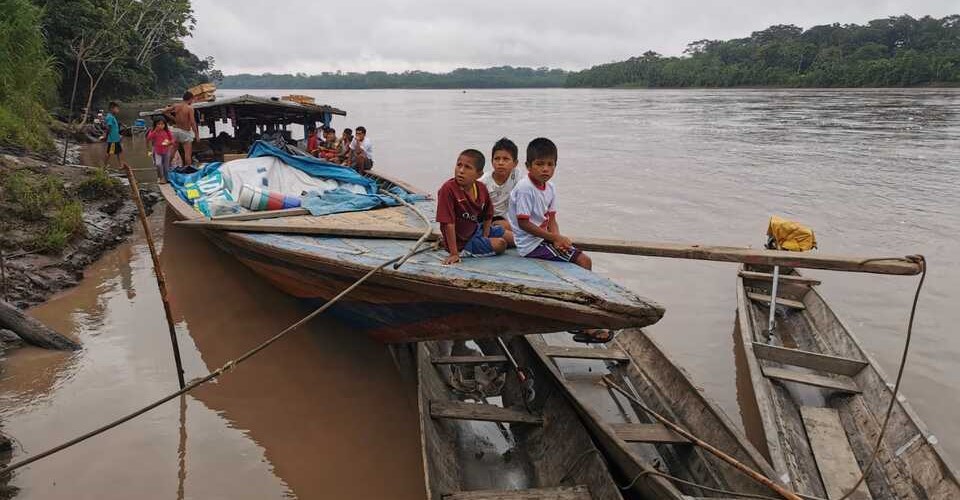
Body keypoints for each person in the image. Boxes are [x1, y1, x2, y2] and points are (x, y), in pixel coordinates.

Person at [507, 137, 611, 343]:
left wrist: (559, 240)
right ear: (528, 166)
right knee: (584, 261)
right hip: (530, 245)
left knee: (574, 255)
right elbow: (524, 224)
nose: (545, 169)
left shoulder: (550, 188)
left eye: (550, 164)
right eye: (539, 164)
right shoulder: (526, 188)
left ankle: (580, 309)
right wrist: (555, 238)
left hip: (543, 240)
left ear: (555, 165)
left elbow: (552, 219)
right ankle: (585, 321)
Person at [436, 149, 511, 265]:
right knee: (501, 244)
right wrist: (454, 253)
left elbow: (488, 214)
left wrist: (485, 235)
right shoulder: (448, 190)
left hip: (476, 229)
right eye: (459, 165)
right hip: (462, 242)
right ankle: (461, 251)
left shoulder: (481, 188)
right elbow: (448, 224)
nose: (461, 171)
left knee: (514, 239)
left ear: (479, 174)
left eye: (468, 167)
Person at [479, 137, 520, 245]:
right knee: (517, 238)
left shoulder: (517, 176)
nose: (500, 163)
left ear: (515, 163)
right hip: (491, 221)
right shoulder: (483, 182)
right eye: (497, 159)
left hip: (510, 220)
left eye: (506, 159)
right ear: (492, 161)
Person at [164, 91, 199, 167]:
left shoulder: (176, 105)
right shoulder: (189, 108)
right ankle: (188, 169)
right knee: (187, 153)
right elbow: (193, 123)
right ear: (190, 99)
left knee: (173, 150)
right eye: (192, 100)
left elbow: (165, 112)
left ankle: (167, 166)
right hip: (185, 132)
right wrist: (197, 135)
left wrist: (174, 119)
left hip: (175, 131)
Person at [145, 118, 174, 183]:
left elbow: (172, 140)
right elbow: (148, 138)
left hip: (166, 151)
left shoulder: (167, 131)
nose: (161, 126)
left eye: (162, 124)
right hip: (157, 151)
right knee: (158, 164)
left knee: (166, 167)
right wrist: (155, 131)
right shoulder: (153, 131)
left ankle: (166, 178)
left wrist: (170, 142)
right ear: (155, 125)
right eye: (159, 124)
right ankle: (161, 177)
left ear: (165, 125)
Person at [100, 102, 123, 169]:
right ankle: (104, 166)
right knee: (110, 152)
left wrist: (119, 135)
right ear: (112, 109)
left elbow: (113, 128)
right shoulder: (110, 117)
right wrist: (105, 136)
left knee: (118, 152)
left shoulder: (112, 117)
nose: (118, 110)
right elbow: (108, 128)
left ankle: (121, 165)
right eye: (117, 109)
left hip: (116, 138)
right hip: (113, 139)